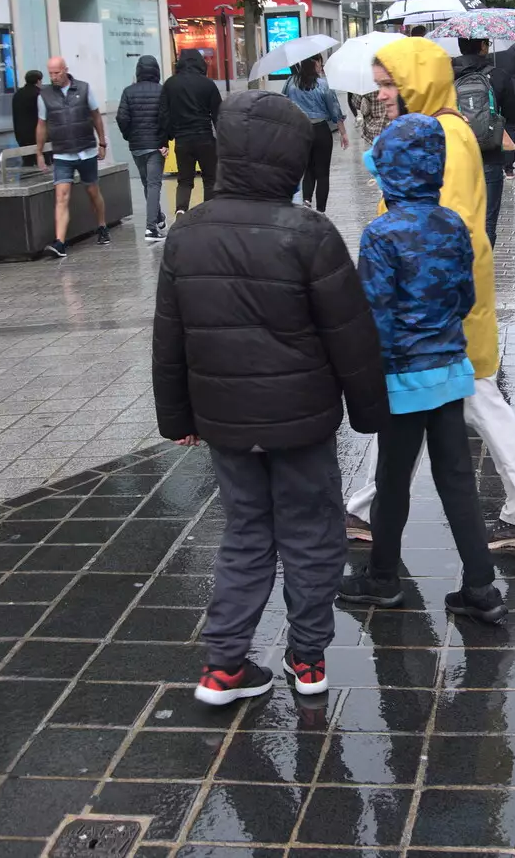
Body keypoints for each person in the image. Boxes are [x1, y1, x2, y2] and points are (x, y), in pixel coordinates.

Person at [152, 90, 388, 705]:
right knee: (312, 534)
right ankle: (307, 660)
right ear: (289, 156)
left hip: (225, 419)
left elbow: (169, 335)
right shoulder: (309, 233)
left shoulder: (186, 234)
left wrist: (176, 416)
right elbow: (350, 334)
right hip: (301, 420)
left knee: (245, 532)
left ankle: (224, 665)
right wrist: (368, 410)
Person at [343, 37, 515, 551]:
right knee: (462, 404)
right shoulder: (438, 131)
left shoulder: (445, 136)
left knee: (469, 402)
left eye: (390, 85)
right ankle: (367, 510)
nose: (383, 95)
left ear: (418, 82)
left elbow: (439, 233)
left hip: (438, 312)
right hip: (444, 309)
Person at [337, 114, 508, 625]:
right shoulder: (452, 223)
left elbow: (375, 315)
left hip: (403, 379)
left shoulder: (381, 234)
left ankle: (383, 578)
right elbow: (464, 296)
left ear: (391, 173)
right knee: (457, 479)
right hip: (449, 369)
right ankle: (481, 586)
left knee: (393, 478)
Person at [36, 57, 110, 258]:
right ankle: (60, 242)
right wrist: (39, 152)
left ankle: (102, 226)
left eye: (57, 73)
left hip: (86, 150)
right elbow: (42, 124)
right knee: (61, 195)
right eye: (50, 73)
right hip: (62, 153)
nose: (53, 77)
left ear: (65, 70)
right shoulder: (44, 95)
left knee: (93, 191)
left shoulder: (83, 89)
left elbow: (95, 116)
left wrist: (102, 142)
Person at [452, 38, 510, 244]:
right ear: (483, 47)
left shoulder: (448, 75)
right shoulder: (498, 75)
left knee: (458, 218)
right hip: (491, 156)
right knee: (487, 222)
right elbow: (511, 118)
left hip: (457, 160)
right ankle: (483, 270)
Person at [158, 49, 223, 213]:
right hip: (205, 139)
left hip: (182, 140)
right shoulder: (207, 84)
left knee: (185, 181)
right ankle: (208, 214)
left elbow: (164, 114)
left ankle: (181, 211)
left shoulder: (170, 84)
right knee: (210, 179)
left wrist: (165, 139)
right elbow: (218, 114)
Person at [283, 55, 350, 211]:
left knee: (308, 168)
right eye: (320, 63)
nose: (321, 66)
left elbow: (284, 103)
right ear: (314, 63)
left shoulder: (291, 82)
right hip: (320, 130)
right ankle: (321, 210)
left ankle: (306, 200)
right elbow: (334, 110)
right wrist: (343, 133)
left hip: (300, 131)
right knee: (323, 172)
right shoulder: (322, 85)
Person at [116, 54, 167, 242]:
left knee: (148, 183)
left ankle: (159, 218)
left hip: (137, 146)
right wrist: (165, 140)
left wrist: (129, 135)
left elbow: (122, 118)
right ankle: (151, 228)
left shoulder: (128, 91)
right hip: (155, 145)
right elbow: (165, 118)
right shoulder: (162, 91)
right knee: (154, 184)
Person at [491, 40, 515, 179]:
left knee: (492, 124)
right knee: (511, 127)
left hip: (492, 89)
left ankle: (496, 162)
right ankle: (509, 168)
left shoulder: (488, 47)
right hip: (513, 91)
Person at [12, 70, 43, 167]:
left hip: (21, 135)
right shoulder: (39, 94)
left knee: (27, 162)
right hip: (37, 134)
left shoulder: (17, 94)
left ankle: (25, 179)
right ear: (38, 81)